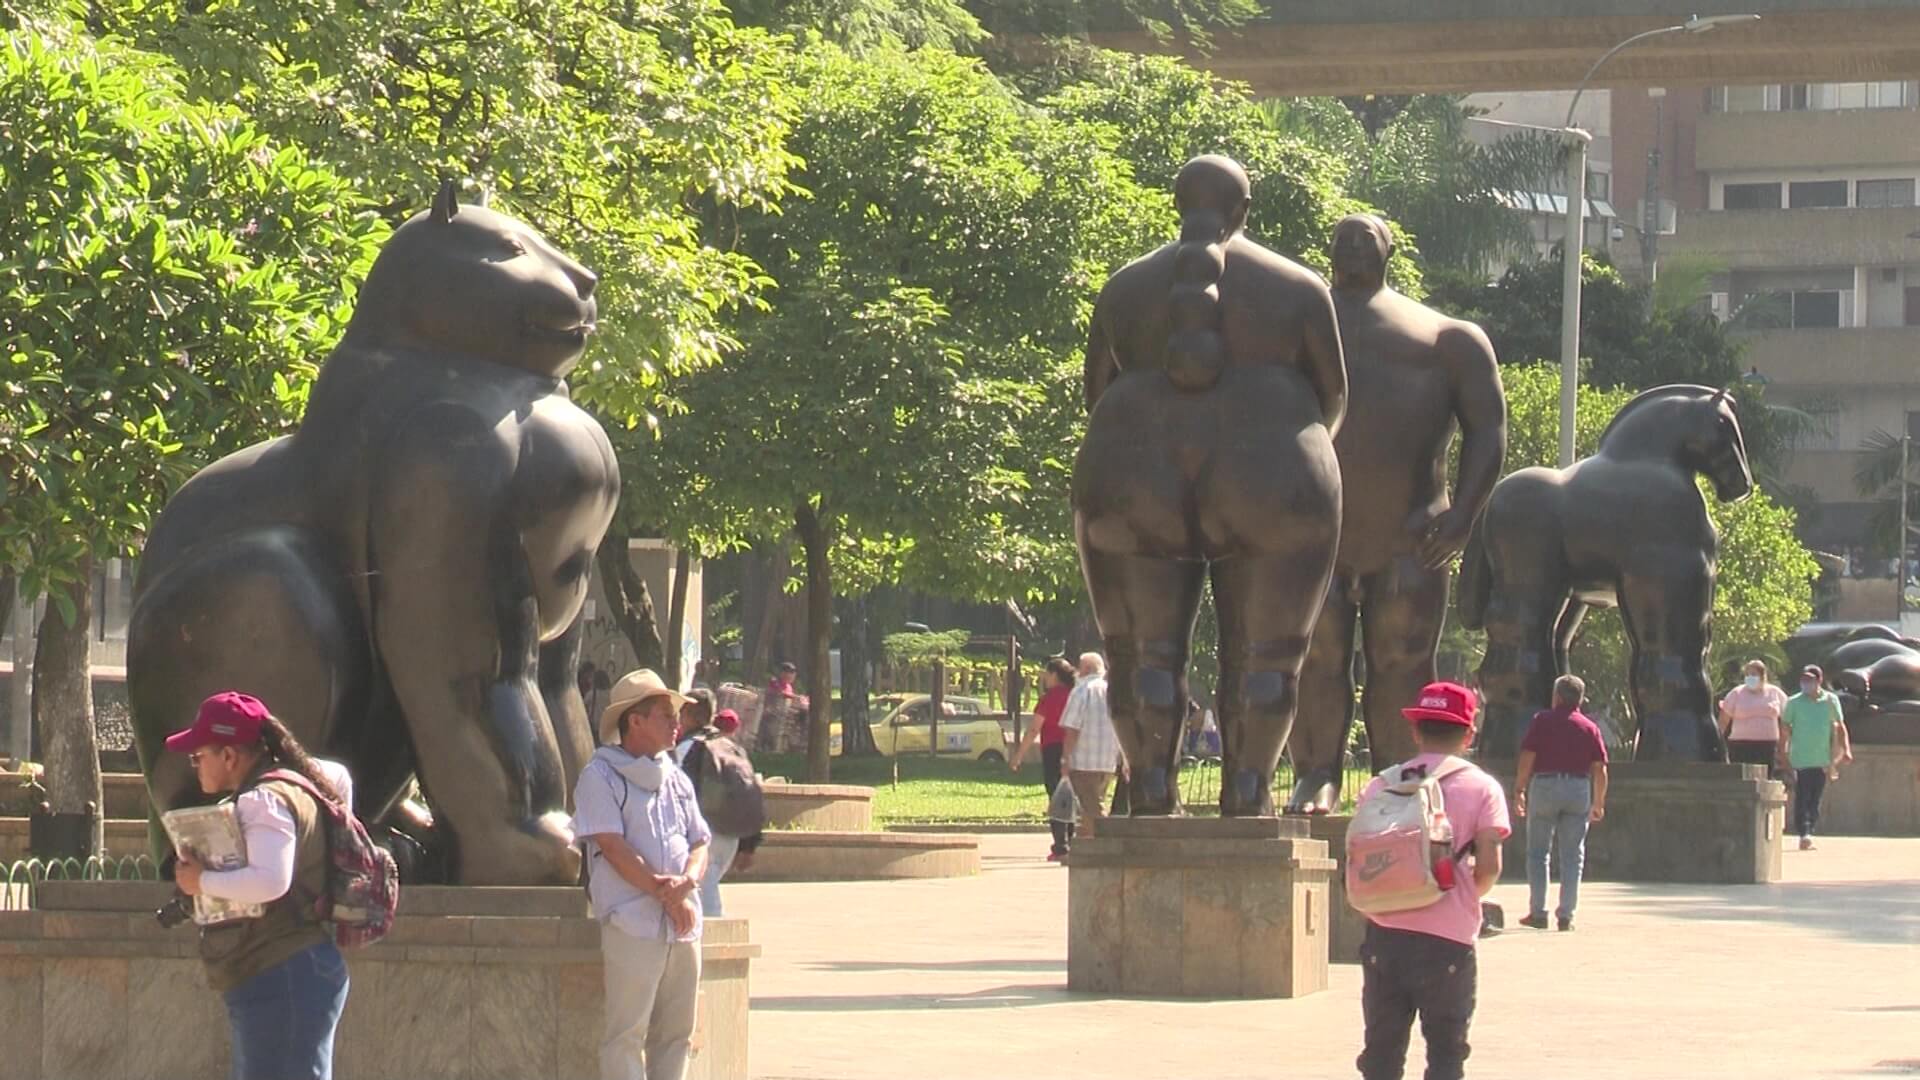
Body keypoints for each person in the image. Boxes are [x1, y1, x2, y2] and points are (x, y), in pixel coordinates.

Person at [1290, 213, 1506, 814]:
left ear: (1390, 252)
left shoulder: (1445, 337)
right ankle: (1316, 775)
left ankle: (1401, 776)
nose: (1353, 251)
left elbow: (1488, 430)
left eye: (1367, 242)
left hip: (1412, 534)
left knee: (1402, 660)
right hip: (1317, 534)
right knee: (1317, 658)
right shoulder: (1294, 330)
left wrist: (1464, 516)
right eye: (1342, 243)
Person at [166, 691, 356, 1080]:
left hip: (281, 971)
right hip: (299, 968)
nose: (195, 766)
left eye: (198, 756)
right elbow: (341, 777)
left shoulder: (262, 801)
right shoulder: (303, 782)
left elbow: (271, 881)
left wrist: (198, 880)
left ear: (230, 756)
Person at [1355, 681, 1510, 1080]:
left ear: (1415, 730)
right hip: (1448, 942)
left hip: (1384, 932)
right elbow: (1490, 865)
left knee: (1381, 1053)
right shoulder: (1483, 788)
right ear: (1469, 732)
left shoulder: (1381, 784)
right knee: (1446, 1053)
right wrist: (1461, 898)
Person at [572, 669, 711, 1080]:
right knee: (626, 1034)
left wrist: (687, 883)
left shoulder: (677, 779)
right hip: (632, 923)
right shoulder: (599, 776)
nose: (677, 724)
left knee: (677, 1033)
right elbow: (612, 846)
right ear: (635, 721)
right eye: (666, 715)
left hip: (683, 925)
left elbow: (700, 841)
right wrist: (663, 891)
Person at [1513, 674, 1609, 932]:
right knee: (1572, 855)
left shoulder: (1542, 721)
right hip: (1578, 788)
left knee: (1538, 853)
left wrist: (1519, 789)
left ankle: (1538, 912)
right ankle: (1566, 915)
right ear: (1580, 699)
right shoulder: (1589, 727)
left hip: (1545, 785)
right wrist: (1598, 801)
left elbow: (1528, 756)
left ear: (1556, 696)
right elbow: (1599, 768)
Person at [675, 705, 764, 916]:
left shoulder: (687, 747)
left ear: (688, 716)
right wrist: (749, 844)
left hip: (702, 835)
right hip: (730, 837)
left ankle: (711, 944)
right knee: (705, 892)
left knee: (707, 908)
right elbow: (749, 791)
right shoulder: (732, 748)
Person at [1009, 656, 1078, 860]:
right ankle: (1072, 841)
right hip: (1074, 749)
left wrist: (1018, 756)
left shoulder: (1049, 698)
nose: (1045, 678)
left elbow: (1033, 729)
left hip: (1053, 749)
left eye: (1047, 674)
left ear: (1054, 675)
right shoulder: (1075, 695)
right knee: (1071, 795)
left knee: (1056, 796)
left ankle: (1060, 845)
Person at [1781, 665, 1852, 851]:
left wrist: (1846, 749)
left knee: (1815, 799)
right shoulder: (1794, 702)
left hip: (1822, 759)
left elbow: (1839, 726)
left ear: (1819, 680)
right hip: (1800, 759)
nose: (1806, 683)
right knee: (1802, 797)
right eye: (1803, 680)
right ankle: (1804, 832)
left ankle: (1809, 829)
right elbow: (1785, 728)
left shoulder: (1830, 700)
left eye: (1810, 680)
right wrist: (1783, 752)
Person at [1059, 652, 1126, 840]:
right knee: (1090, 808)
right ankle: (1087, 845)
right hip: (1107, 762)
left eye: (1079, 668)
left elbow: (1072, 728)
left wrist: (1065, 758)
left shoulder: (1081, 691)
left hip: (1083, 763)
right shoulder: (1112, 692)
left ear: (1086, 669)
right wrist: (1125, 759)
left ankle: (1109, 844)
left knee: (1093, 809)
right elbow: (1122, 727)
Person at [1719, 659, 1789, 770]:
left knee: (1765, 779)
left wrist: (1784, 744)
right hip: (1740, 745)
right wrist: (1719, 743)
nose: (1749, 677)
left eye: (1753, 674)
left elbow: (1786, 720)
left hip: (1767, 745)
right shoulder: (1736, 693)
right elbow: (1724, 720)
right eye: (1747, 674)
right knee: (1741, 778)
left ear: (1762, 675)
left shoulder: (1775, 693)